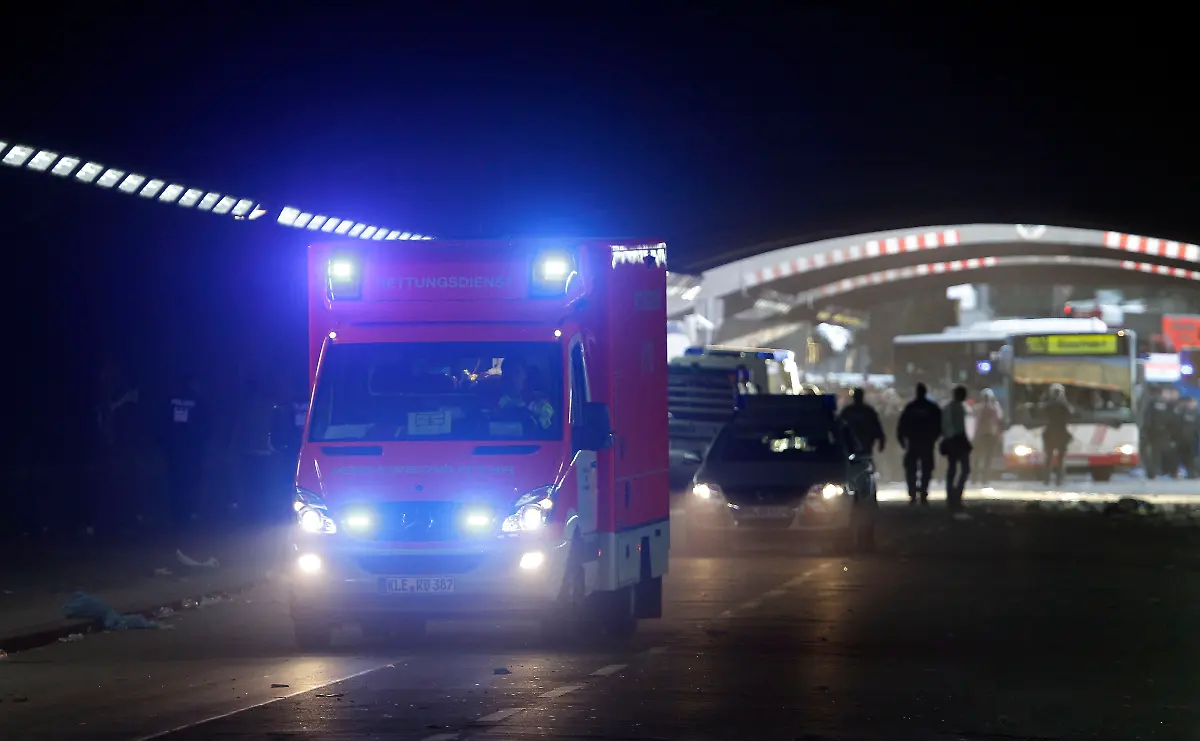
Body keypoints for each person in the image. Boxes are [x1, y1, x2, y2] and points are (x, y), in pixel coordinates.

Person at [162, 373, 208, 532]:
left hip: (174, 448)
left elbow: (164, 421)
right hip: (192, 449)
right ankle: (188, 513)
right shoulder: (197, 400)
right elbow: (204, 424)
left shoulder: (171, 398)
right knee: (190, 480)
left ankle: (176, 514)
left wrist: (165, 443)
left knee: (175, 481)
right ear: (194, 382)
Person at [897, 383, 942, 505]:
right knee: (926, 469)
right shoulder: (932, 407)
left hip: (913, 442)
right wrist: (934, 438)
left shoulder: (911, 407)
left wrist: (902, 440)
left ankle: (913, 494)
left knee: (911, 469)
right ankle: (923, 493)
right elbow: (939, 425)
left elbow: (902, 425)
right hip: (927, 442)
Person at [497, 358, 555, 429]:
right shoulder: (497, 403)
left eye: (517, 373)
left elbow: (545, 431)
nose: (512, 378)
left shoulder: (541, 407)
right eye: (507, 374)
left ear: (525, 375)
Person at [940, 385, 973, 513]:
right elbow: (959, 428)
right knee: (964, 468)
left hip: (951, 441)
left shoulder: (948, 408)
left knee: (952, 469)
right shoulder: (959, 408)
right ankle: (956, 496)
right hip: (957, 440)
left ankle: (951, 496)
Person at [1039, 383, 1073, 487]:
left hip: (1049, 433)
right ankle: (1059, 479)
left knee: (1048, 457)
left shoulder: (1047, 405)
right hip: (1061, 434)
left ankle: (1047, 479)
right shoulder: (1064, 405)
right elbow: (1071, 413)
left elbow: (1041, 412)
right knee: (1060, 458)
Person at [837, 388, 886, 457]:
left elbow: (839, 425)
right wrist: (881, 440)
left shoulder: (848, 411)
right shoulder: (868, 410)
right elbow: (877, 426)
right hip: (861, 441)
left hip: (854, 442)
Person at [973, 388, 1004, 485]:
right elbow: (1000, 420)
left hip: (979, 435)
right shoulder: (995, 408)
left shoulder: (977, 408)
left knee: (977, 457)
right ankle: (985, 479)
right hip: (990, 435)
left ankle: (974, 478)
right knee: (988, 457)